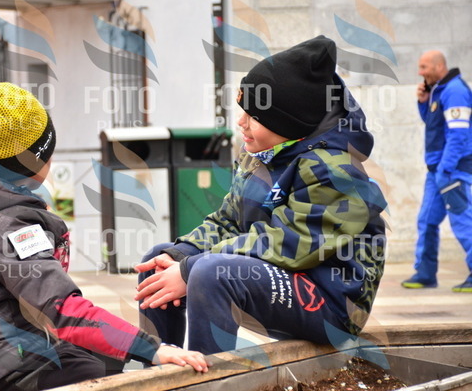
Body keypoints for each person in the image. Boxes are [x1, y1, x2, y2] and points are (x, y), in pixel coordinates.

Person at [0, 83, 208, 391]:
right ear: (38, 159)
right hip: (13, 367)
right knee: (108, 376)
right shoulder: (8, 228)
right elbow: (63, 311)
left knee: (109, 358)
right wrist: (154, 349)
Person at [134, 36, 388, 355]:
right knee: (159, 260)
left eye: (254, 116)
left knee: (212, 273)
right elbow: (228, 221)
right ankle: (162, 367)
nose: (241, 122)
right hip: (280, 278)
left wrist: (190, 268)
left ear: (289, 123)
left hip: (331, 304)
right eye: (243, 110)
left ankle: (211, 378)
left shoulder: (334, 171)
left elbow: (291, 244)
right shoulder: (262, 154)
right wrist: (184, 253)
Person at [401, 51, 472, 292]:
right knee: (427, 220)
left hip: (452, 169)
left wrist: (446, 168)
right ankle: (425, 273)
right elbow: (434, 125)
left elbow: (459, 134)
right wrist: (423, 102)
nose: (420, 72)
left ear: (440, 66)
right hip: (437, 171)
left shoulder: (455, 91)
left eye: (424, 67)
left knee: (462, 220)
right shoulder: (439, 91)